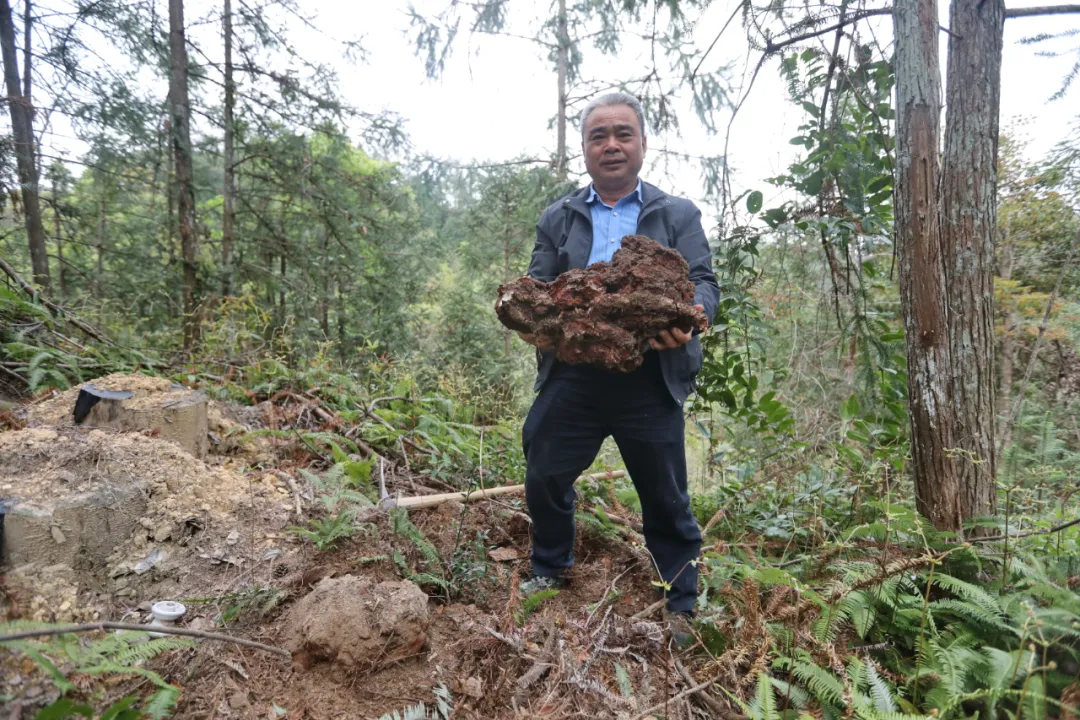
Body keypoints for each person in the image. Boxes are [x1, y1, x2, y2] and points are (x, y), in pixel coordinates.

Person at [518, 91, 719, 627]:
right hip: (575, 372)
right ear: (584, 148)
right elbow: (538, 286)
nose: (611, 145)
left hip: (650, 374)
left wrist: (692, 316)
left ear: (643, 144)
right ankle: (550, 567)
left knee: (665, 493)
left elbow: (703, 281)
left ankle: (681, 598)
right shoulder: (559, 217)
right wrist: (539, 316)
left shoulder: (676, 213)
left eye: (623, 134)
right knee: (544, 468)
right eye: (598, 136)